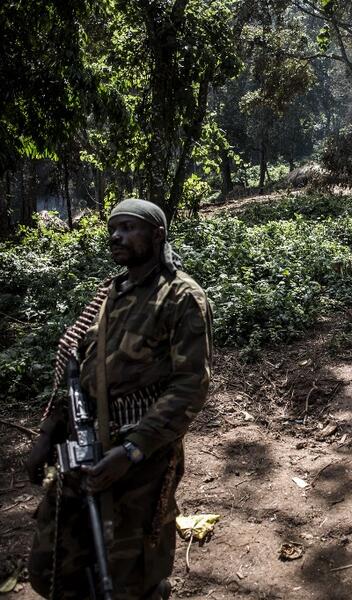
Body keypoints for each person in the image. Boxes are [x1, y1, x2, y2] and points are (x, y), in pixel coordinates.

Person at [27, 199, 213, 600]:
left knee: (130, 577)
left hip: (140, 463)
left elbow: (190, 385)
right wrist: (48, 433)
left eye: (130, 228)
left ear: (157, 235)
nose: (117, 236)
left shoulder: (181, 297)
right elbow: (80, 370)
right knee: (51, 569)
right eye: (114, 228)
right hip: (83, 448)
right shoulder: (110, 294)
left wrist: (132, 450)